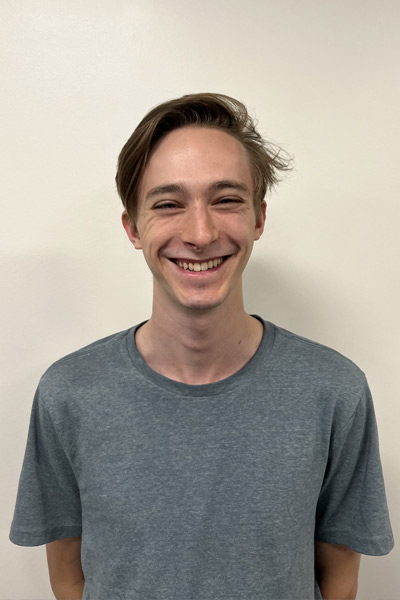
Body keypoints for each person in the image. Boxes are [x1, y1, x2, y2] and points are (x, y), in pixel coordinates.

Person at [10, 93, 393, 600]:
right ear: (132, 226)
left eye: (226, 199)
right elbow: (69, 579)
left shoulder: (335, 391)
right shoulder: (69, 393)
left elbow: (339, 582)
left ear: (258, 218)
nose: (200, 232)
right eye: (168, 204)